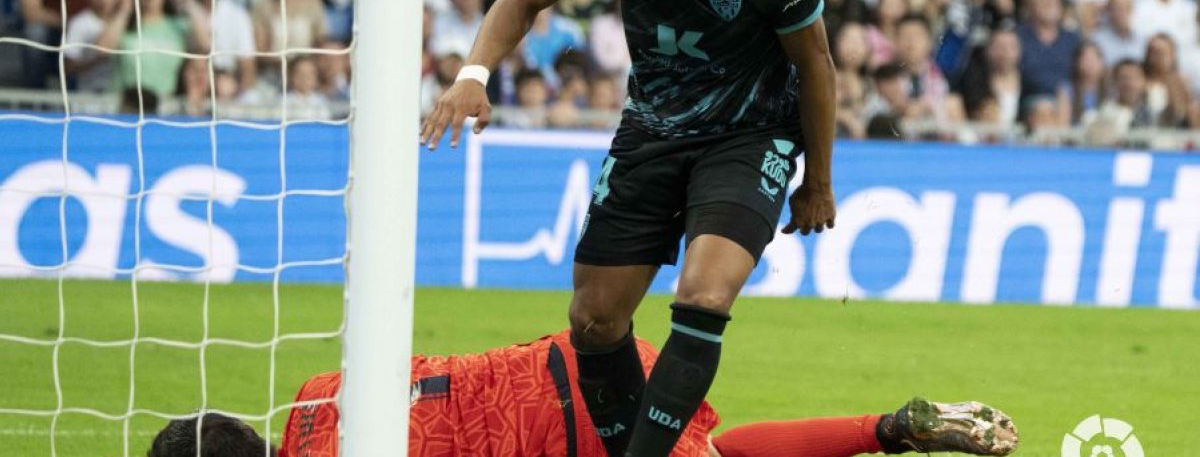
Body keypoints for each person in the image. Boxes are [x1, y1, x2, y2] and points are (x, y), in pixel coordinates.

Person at [420, 0, 837, 457]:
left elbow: (815, 65)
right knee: (593, 320)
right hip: (651, 130)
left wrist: (818, 181)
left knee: (703, 293)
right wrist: (473, 74)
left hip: (748, 135)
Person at [148, 330, 1020, 457]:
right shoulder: (314, 394)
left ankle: (896, 428)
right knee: (706, 448)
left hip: (570, 429)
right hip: (573, 355)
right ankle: (894, 424)